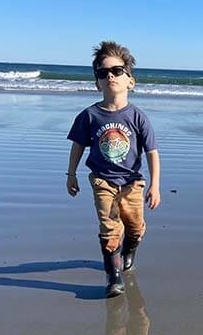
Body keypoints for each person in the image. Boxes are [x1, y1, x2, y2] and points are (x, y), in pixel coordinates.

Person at [66, 41, 161, 297]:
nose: (110, 76)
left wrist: (155, 185)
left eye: (117, 71)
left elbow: (152, 151)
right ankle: (113, 275)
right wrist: (71, 174)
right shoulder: (89, 116)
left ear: (130, 80)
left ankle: (129, 250)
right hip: (102, 181)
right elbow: (77, 146)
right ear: (97, 82)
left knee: (135, 226)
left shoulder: (138, 117)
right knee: (109, 226)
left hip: (132, 182)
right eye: (103, 72)